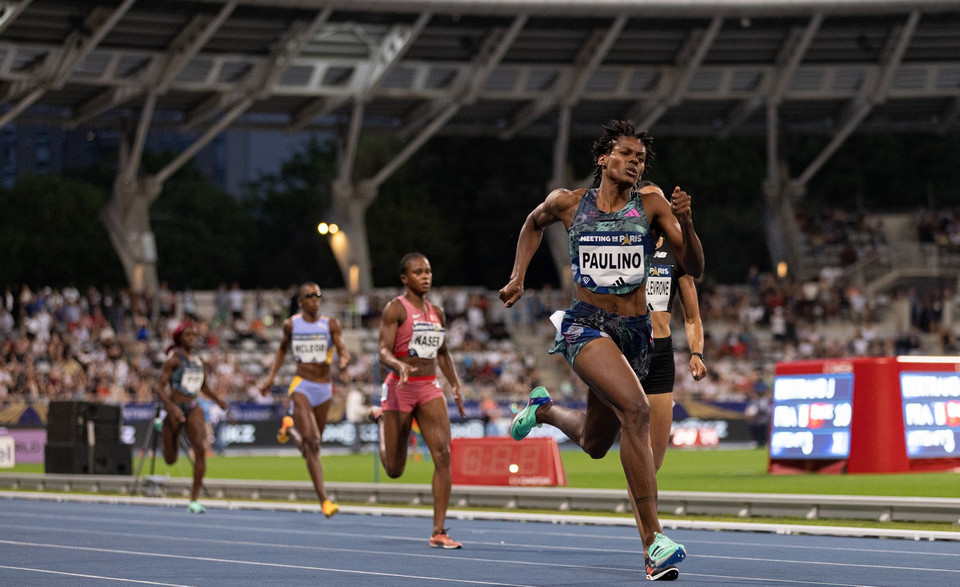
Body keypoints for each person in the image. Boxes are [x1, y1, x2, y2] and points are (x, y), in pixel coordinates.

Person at [499, 120, 704, 581]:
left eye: (642, 158)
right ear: (603, 158)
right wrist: (518, 276)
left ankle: (545, 411)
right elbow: (533, 224)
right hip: (586, 326)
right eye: (627, 154)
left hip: (635, 335)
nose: (636, 162)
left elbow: (693, 265)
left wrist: (686, 222)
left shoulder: (650, 205)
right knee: (636, 411)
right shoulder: (569, 203)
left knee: (594, 443)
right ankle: (653, 543)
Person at [369, 253, 467, 549]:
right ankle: (382, 418)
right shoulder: (395, 309)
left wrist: (455, 384)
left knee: (444, 456)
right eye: (418, 272)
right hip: (400, 388)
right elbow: (382, 351)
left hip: (428, 387)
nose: (426, 276)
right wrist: (397, 365)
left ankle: (439, 531)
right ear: (405, 278)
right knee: (395, 470)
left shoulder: (437, 311)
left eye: (428, 271)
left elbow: (442, 352)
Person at [259, 282, 350, 518]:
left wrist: (344, 360)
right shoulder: (292, 325)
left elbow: (342, 348)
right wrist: (271, 377)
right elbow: (281, 350)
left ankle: (289, 430)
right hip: (302, 386)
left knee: (313, 446)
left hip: (324, 389)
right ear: (300, 302)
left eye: (319, 295)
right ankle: (324, 501)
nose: (315, 299)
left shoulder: (330, 324)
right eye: (310, 296)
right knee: (311, 441)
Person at [157, 320, 229, 514]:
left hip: (193, 406)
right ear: (180, 338)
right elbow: (159, 387)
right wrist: (171, 408)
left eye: (195, 335)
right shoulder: (174, 359)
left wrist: (218, 400)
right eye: (188, 335)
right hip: (175, 406)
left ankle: (194, 499)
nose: (193, 339)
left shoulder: (198, 361)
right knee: (170, 459)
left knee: (200, 447)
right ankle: (164, 428)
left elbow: (203, 386)